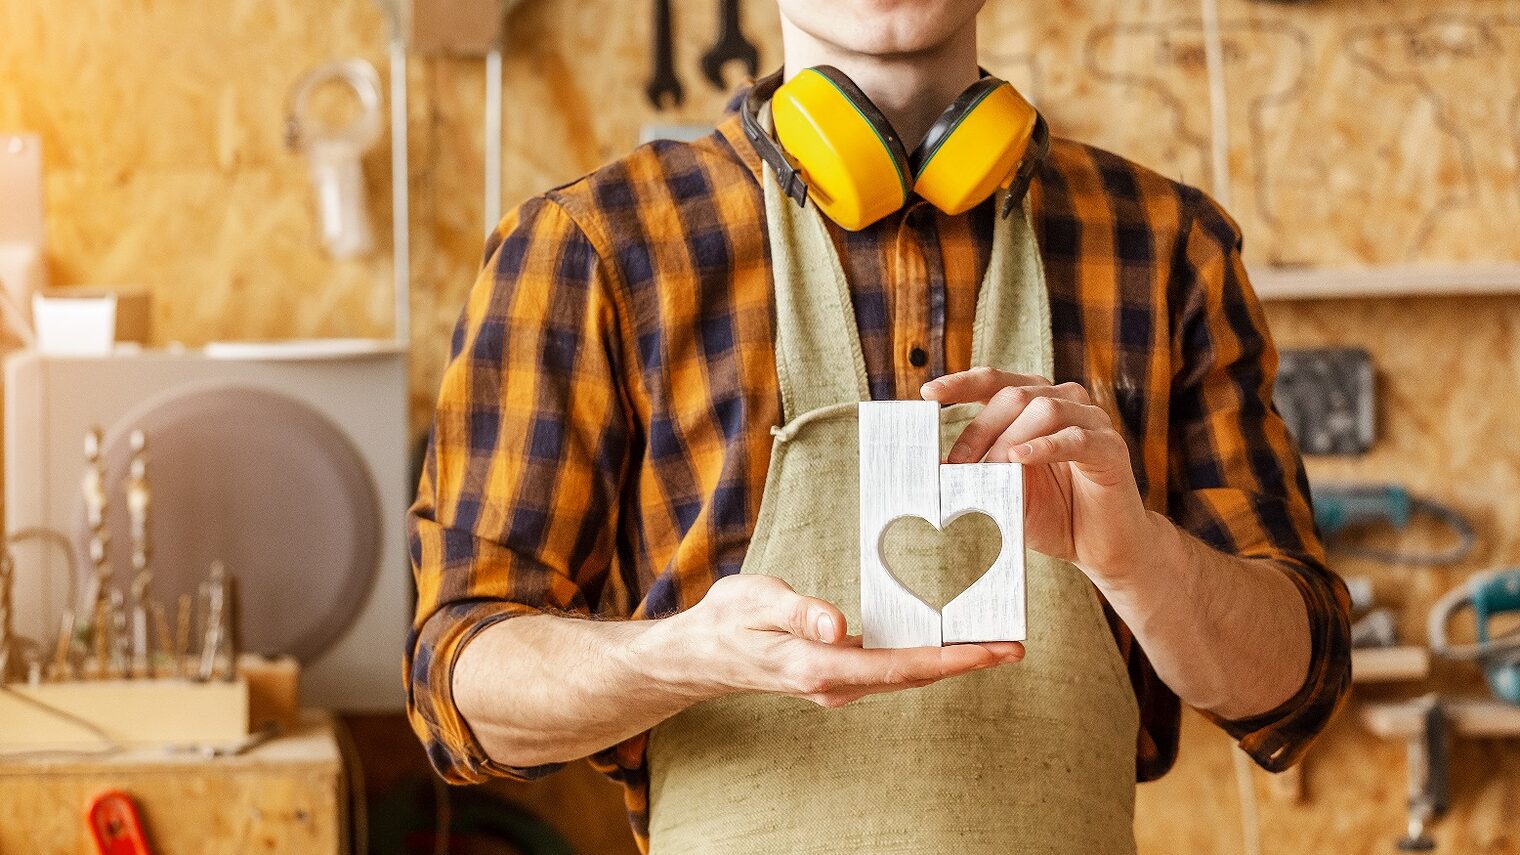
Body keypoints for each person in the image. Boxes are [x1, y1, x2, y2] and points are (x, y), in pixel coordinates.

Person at [406, 2, 1352, 853]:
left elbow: (1295, 685)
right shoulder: (595, 248)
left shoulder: (1164, 245)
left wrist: (1140, 555)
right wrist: (683, 654)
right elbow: (460, 686)